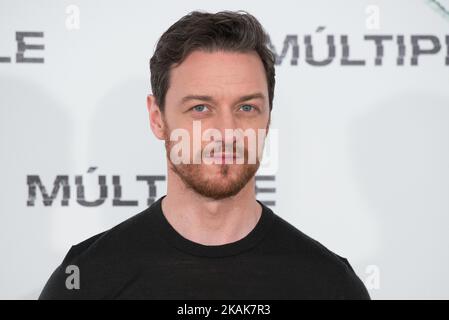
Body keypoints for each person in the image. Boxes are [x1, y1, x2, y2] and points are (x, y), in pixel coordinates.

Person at [39, 10, 370, 300]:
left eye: (246, 107)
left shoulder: (329, 283)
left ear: (267, 119)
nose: (226, 130)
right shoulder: (85, 280)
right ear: (158, 118)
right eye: (200, 107)